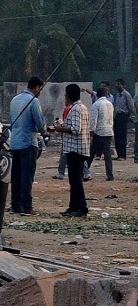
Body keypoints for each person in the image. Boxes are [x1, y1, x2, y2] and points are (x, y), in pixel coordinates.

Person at [8, 76, 46, 215]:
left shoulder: (14, 100)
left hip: (15, 142)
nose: (40, 92)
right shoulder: (34, 101)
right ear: (36, 87)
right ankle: (26, 207)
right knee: (27, 176)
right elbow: (40, 124)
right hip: (29, 143)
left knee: (16, 176)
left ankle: (15, 206)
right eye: (40, 89)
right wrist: (44, 130)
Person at [57, 82, 89, 217]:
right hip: (77, 147)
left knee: (75, 180)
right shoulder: (81, 107)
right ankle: (73, 206)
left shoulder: (76, 109)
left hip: (75, 149)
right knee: (74, 180)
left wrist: (60, 128)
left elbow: (76, 129)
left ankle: (81, 207)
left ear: (69, 96)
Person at [93, 83, 117, 182]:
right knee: (107, 155)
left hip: (99, 132)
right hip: (109, 131)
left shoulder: (96, 104)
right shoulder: (110, 104)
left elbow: (93, 120)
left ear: (97, 95)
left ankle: (84, 173)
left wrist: (91, 132)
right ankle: (110, 175)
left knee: (91, 153)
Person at [116, 78, 134, 161]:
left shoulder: (127, 95)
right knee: (117, 135)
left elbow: (131, 107)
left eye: (119, 84)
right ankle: (119, 154)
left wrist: (129, 115)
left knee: (122, 136)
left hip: (123, 116)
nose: (117, 86)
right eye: (116, 84)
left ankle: (123, 155)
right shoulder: (117, 95)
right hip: (117, 116)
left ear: (123, 85)